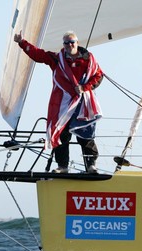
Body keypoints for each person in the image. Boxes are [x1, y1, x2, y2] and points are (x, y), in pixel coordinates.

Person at [14, 30, 103, 173]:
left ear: (77, 43)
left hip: (82, 104)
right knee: (61, 134)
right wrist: (22, 43)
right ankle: (63, 166)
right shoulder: (57, 59)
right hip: (62, 104)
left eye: (72, 42)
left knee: (85, 134)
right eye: (66, 43)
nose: (69, 45)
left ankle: (91, 165)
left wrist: (84, 87)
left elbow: (98, 76)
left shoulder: (89, 60)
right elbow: (39, 55)